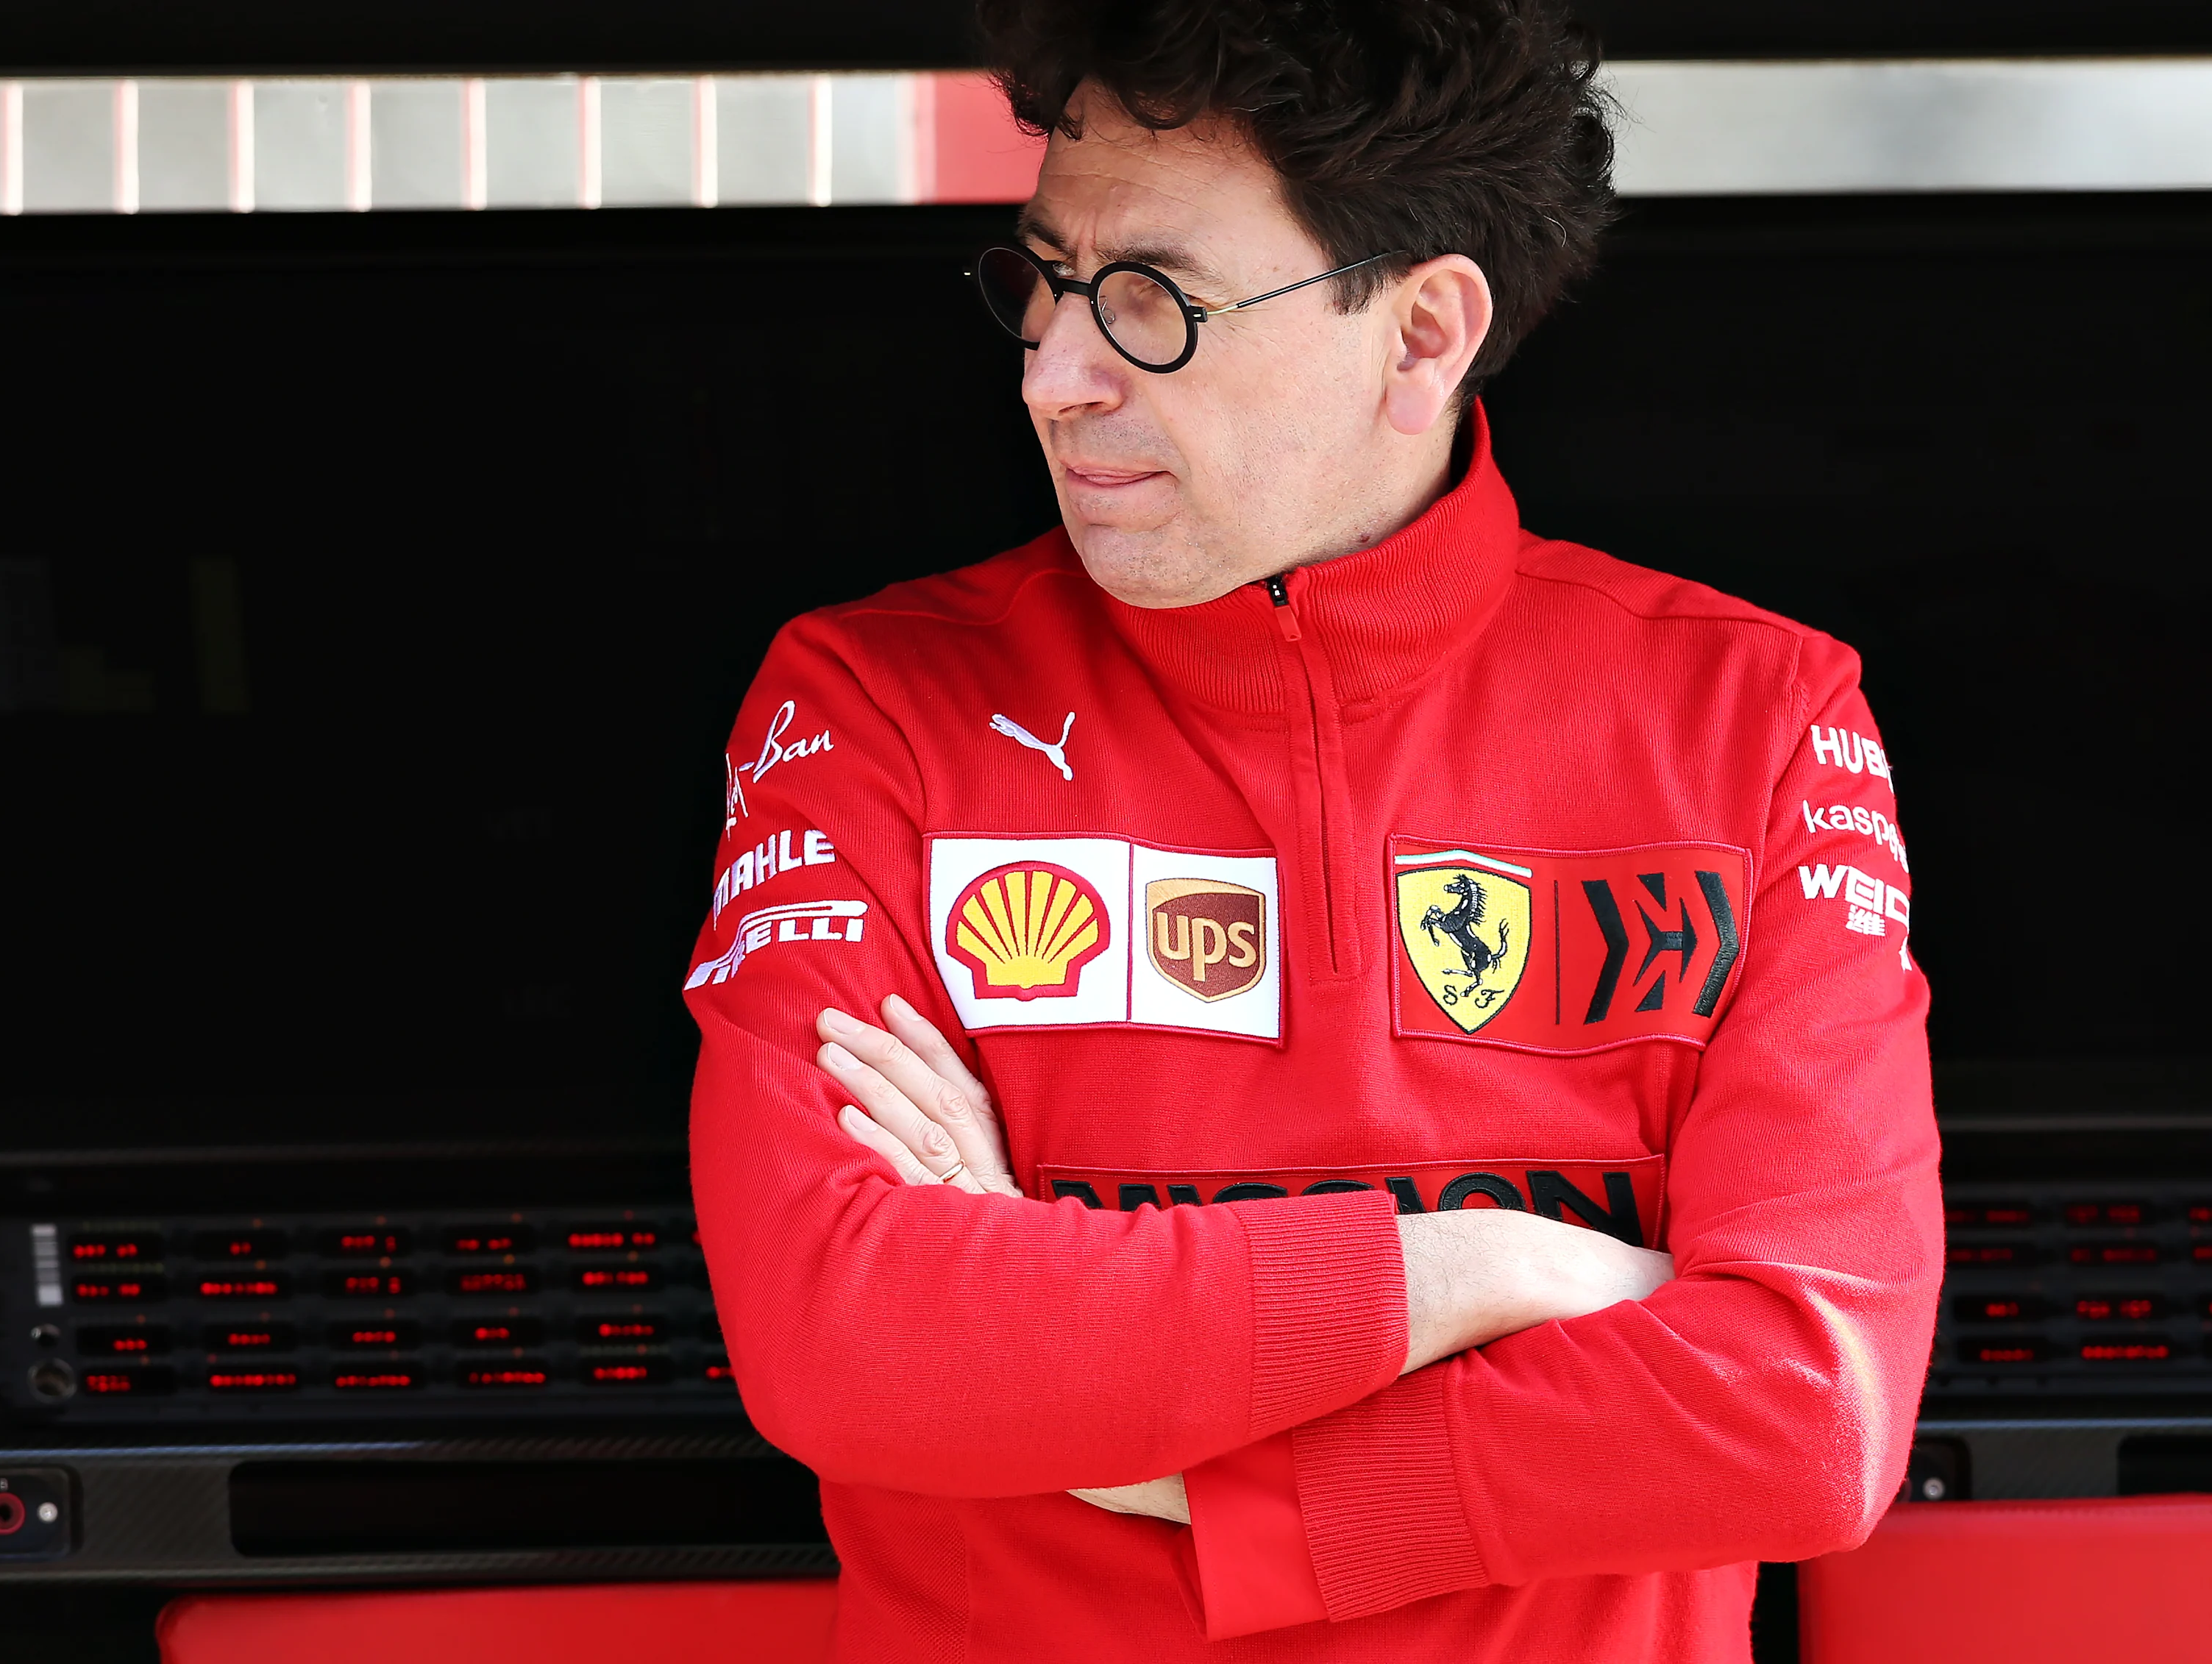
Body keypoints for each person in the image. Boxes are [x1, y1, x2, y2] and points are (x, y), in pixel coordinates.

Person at [683, 0, 1941, 1654]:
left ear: (1420, 336)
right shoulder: (869, 704)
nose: (1052, 376)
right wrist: (1485, 1270)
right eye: (1045, 279)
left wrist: (1184, 1475)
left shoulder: (1758, 721)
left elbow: (1803, 1414)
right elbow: (851, 1339)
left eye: (1153, 303)